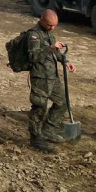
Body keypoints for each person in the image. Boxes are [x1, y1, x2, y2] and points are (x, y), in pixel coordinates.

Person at [26, 9, 76, 152]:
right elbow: (33, 57)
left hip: (53, 77)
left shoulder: (49, 33)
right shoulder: (34, 35)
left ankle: (48, 129)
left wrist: (65, 61)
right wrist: (51, 47)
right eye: (49, 25)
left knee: (63, 103)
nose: (52, 28)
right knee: (39, 108)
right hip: (40, 77)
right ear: (41, 20)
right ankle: (35, 139)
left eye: (54, 25)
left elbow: (55, 52)